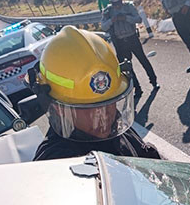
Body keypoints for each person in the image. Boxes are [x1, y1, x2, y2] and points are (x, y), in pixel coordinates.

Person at [28, 25, 161, 160]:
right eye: (91, 109)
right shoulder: (55, 163)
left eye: (109, 103)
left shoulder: (118, 130)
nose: (104, 116)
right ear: (59, 108)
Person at [101, 0, 159, 99]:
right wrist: (112, 20)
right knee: (128, 67)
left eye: (118, 3)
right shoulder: (108, 11)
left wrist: (126, 18)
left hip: (132, 38)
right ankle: (137, 88)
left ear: (121, 0)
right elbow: (103, 26)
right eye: (115, 4)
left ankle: (154, 81)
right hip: (119, 42)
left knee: (143, 60)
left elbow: (138, 19)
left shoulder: (129, 6)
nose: (117, 6)